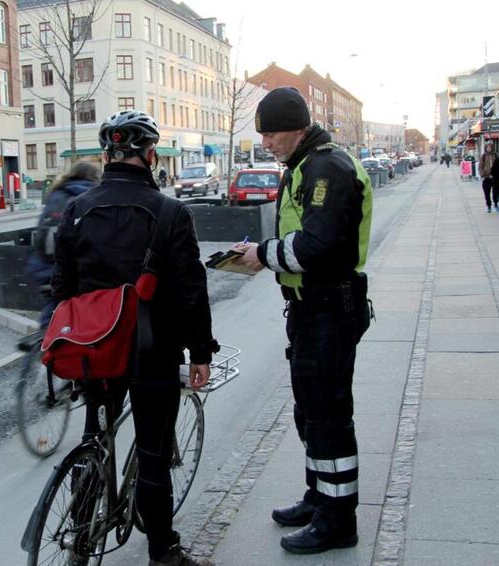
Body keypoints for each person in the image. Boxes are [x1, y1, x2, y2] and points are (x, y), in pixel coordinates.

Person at [52, 110, 218, 566]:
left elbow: (62, 288)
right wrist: (201, 351)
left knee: (95, 436)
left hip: (93, 350)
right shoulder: (170, 211)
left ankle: (81, 534)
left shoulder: (76, 210)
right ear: (151, 156)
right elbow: (190, 289)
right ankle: (163, 551)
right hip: (153, 351)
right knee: (152, 451)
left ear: (106, 156)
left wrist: (69, 340)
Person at [233, 87, 373, 555]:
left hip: (330, 308)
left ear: (296, 127)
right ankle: (320, 497)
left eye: (271, 133)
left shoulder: (326, 168)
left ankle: (338, 521)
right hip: (311, 307)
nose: (266, 142)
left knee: (329, 415)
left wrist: (262, 255)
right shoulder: (304, 165)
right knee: (311, 411)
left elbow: (317, 247)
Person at [25, 161, 100, 327]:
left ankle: (44, 346)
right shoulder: (91, 197)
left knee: (51, 322)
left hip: (44, 270)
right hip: (73, 276)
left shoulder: (56, 195)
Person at [479, 143, 498, 213]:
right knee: (487, 193)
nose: (489, 149)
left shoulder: (495, 155)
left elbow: (498, 165)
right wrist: (482, 175)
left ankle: (496, 203)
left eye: (490, 147)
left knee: (495, 192)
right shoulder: (483, 156)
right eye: (487, 148)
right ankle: (489, 206)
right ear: (485, 148)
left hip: (494, 177)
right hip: (486, 177)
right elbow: (480, 167)